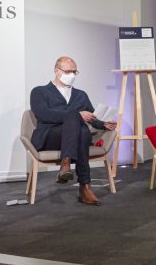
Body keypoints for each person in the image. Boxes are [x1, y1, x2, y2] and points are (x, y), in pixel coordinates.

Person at [29, 57, 115, 206]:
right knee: (75, 119)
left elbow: (91, 117)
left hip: (76, 137)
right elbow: (43, 114)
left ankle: (66, 165)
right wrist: (76, 115)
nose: (72, 75)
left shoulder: (80, 94)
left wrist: (103, 124)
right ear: (57, 71)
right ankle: (84, 187)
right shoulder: (40, 91)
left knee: (81, 130)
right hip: (51, 135)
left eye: (75, 72)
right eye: (68, 71)